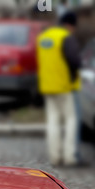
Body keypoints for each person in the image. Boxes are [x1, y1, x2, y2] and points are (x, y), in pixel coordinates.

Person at [37, 12, 82, 167]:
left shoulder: (44, 37)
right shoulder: (66, 37)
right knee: (71, 120)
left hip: (48, 86)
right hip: (64, 86)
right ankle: (69, 156)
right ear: (70, 25)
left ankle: (55, 156)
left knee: (53, 121)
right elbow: (74, 60)